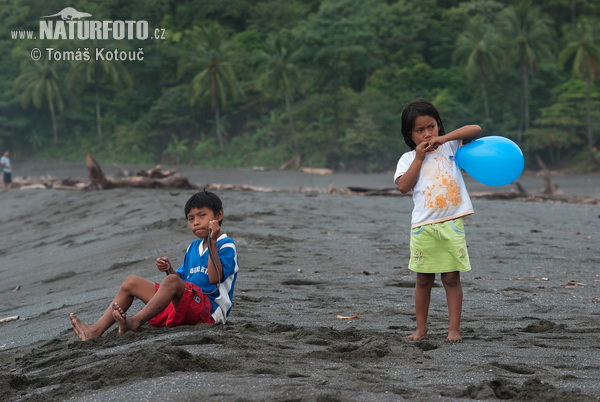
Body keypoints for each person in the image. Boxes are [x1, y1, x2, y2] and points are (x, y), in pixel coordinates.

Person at [69, 190, 239, 340]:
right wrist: (168, 269)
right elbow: (182, 279)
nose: (195, 222)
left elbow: (214, 278)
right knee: (131, 282)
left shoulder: (225, 244)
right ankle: (93, 332)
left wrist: (212, 241)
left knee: (172, 281)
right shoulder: (193, 247)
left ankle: (134, 322)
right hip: (186, 305)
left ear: (218, 216)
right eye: (191, 218)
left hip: (208, 311)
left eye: (202, 216)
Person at [394, 99, 481, 343]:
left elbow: (475, 129)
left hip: (451, 223)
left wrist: (443, 139)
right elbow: (403, 186)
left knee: (451, 278)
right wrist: (419, 158)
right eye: (419, 131)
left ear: (439, 125)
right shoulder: (407, 158)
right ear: (409, 134)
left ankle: (454, 329)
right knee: (423, 279)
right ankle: (421, 329)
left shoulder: (451, 146)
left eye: (431, 127)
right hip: (423, 227)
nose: (427, 134)